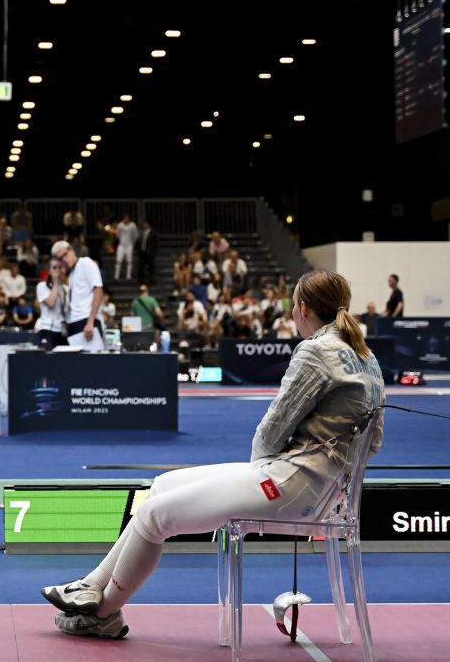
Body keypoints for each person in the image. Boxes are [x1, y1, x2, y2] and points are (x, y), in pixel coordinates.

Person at [41, 269, 385, 639]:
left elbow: (272, 430)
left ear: (302, 308)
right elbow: (374, 442)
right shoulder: (366, 357)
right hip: (317, 488)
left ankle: (104, 613)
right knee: (161, 485)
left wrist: (266, 469)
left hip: (290, 484)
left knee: (155, 515)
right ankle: (90, 586)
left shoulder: (316, 349)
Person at [51, 240, 104, 351]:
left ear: (72, 251)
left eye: (65, 254)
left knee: (92, 363)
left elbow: (98, 290)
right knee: (78, 365)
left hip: (86, 320)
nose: (64, 259)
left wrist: (90, 322)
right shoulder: (72, 274)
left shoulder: (86, 262)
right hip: (74, 322)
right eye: (60, 258)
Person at [35, 259, 67, 348]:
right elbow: (50, 303)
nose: (57, 270)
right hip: (48, 329)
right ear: (49, 271)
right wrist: (56, 282)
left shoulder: (65, 288)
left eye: (60, 267)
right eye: (54, 268)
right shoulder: (41, 286)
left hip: (63, 331)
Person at [113, 214, 138, 280]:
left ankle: (128, 275)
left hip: (129, 245)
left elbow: (135, 235)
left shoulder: (133, 225)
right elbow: (117, 234)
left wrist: (132, 243)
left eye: (127, 218)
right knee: (118, 260)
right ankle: (116, 275)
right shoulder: (120, 225)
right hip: (121, 245)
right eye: (124, 218)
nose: (126, 219)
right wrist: (121, 240)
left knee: (129, 260)